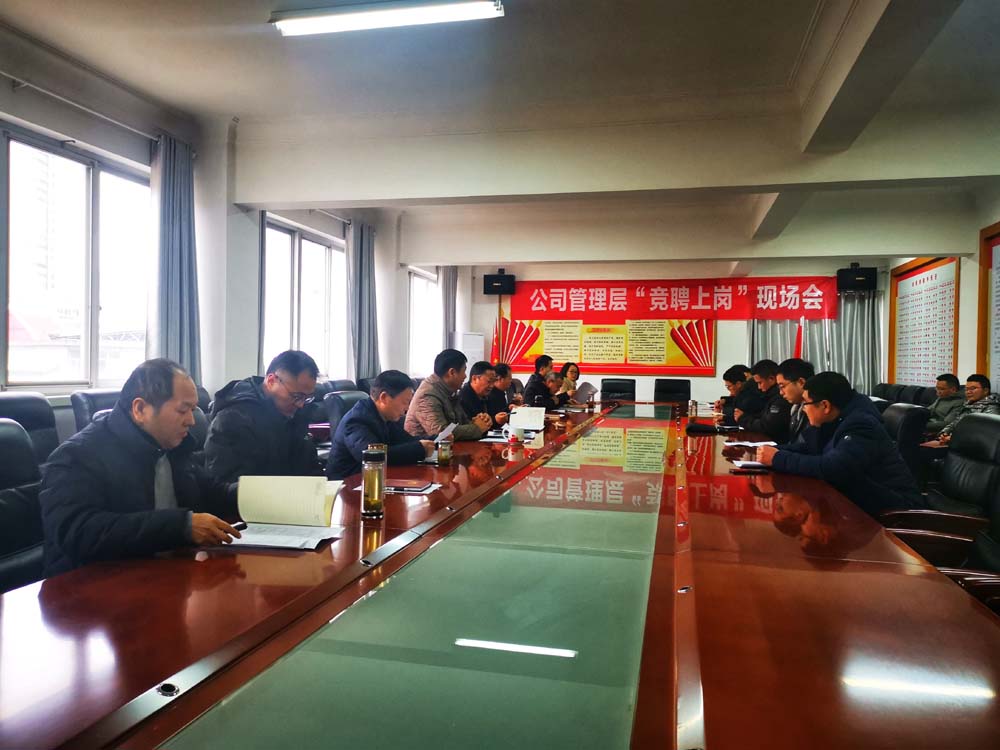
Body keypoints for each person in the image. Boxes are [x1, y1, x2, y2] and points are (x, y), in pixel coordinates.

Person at [40, 359, 241, 576]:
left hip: (161, 572)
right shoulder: (76, 456)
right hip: (90, 584)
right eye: (183, 410)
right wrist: (181, 527)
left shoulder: (172, 447)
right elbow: (78, 531)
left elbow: (212, 492)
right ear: (140, 409)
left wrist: (255, 493)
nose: (191, 421)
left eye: (193, 410)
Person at [756, 371, 923, 517]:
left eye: (806, 403)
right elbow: (812, 449)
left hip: (895, 511)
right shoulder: (838, 417)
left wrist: (778, 458)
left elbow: (835, 468)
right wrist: (774, 451)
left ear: (825, 405)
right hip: (863, 501)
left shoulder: (861, 424)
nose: (804, 409)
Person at [204, 350, 321, 483]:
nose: (300, 404)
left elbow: (310, 468)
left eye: (307, 397)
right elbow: (224, 485)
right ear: (271, 381)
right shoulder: (233, 419)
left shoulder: (296, 414)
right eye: (296, 396)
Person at [325, 370, 435, 479]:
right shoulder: (357, 419)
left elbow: (406, 440)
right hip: (348, 483)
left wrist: (434, 441)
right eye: (405, 402)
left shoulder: (386, 416)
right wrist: (419, 449)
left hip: (377, 478)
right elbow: (372, 455)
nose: (407, 409)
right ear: (384, 397)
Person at [405, 349, 493, 440]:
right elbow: (441, 433)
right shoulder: (427, 395)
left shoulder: (450, 392)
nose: (465, 376)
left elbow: (462, 423)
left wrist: (481, 421)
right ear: (452, 372)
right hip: (427, 448)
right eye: (463, 371)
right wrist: (477, 428)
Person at [737, 359, 791, 442]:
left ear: (771, 379)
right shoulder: (770, 395)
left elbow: (768, 426)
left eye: (760, 383)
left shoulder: (780, 398)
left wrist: (743, 419)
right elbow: (761, 416)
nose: (759, 387)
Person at [937, 374, 1000, 442]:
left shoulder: (992, 409)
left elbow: (984, 434)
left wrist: (954, 437)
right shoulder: (967, 404)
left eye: (973, 388)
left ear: (985, 391)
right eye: (966, 389)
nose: (968, 392)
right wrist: (944, 433)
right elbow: (955, 422)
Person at [459, 361, 509, 428]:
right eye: (489, 381)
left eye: (493, 381)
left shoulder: (487, 396)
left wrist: (497, 419)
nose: (492, 386)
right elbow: (468, 427)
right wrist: (494, 420)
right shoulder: (463, 398)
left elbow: (489, 421)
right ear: (475, 379)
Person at [776, 358, 815, 444]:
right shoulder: (796, 408)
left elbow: (805, 447)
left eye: (782, 386)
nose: (781, 393)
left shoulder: (816, 410)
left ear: (801, 382)